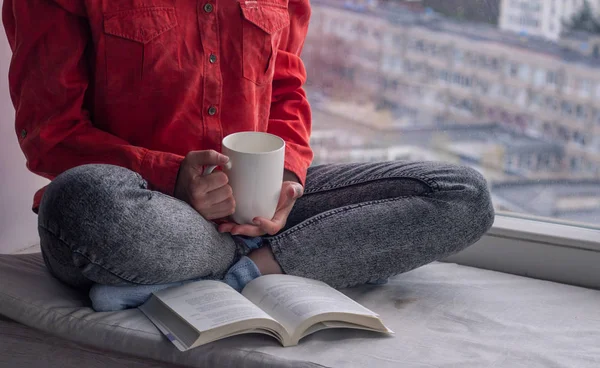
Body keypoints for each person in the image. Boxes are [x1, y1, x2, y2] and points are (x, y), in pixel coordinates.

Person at [3, 0, 494, 312]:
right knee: (80, 201)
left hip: (252, 212)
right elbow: (50, 133)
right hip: (141, 211)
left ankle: (238, 272)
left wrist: (287, 182)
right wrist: (175, 178)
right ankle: (272, 261)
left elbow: (286, 91)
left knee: (461, 194)